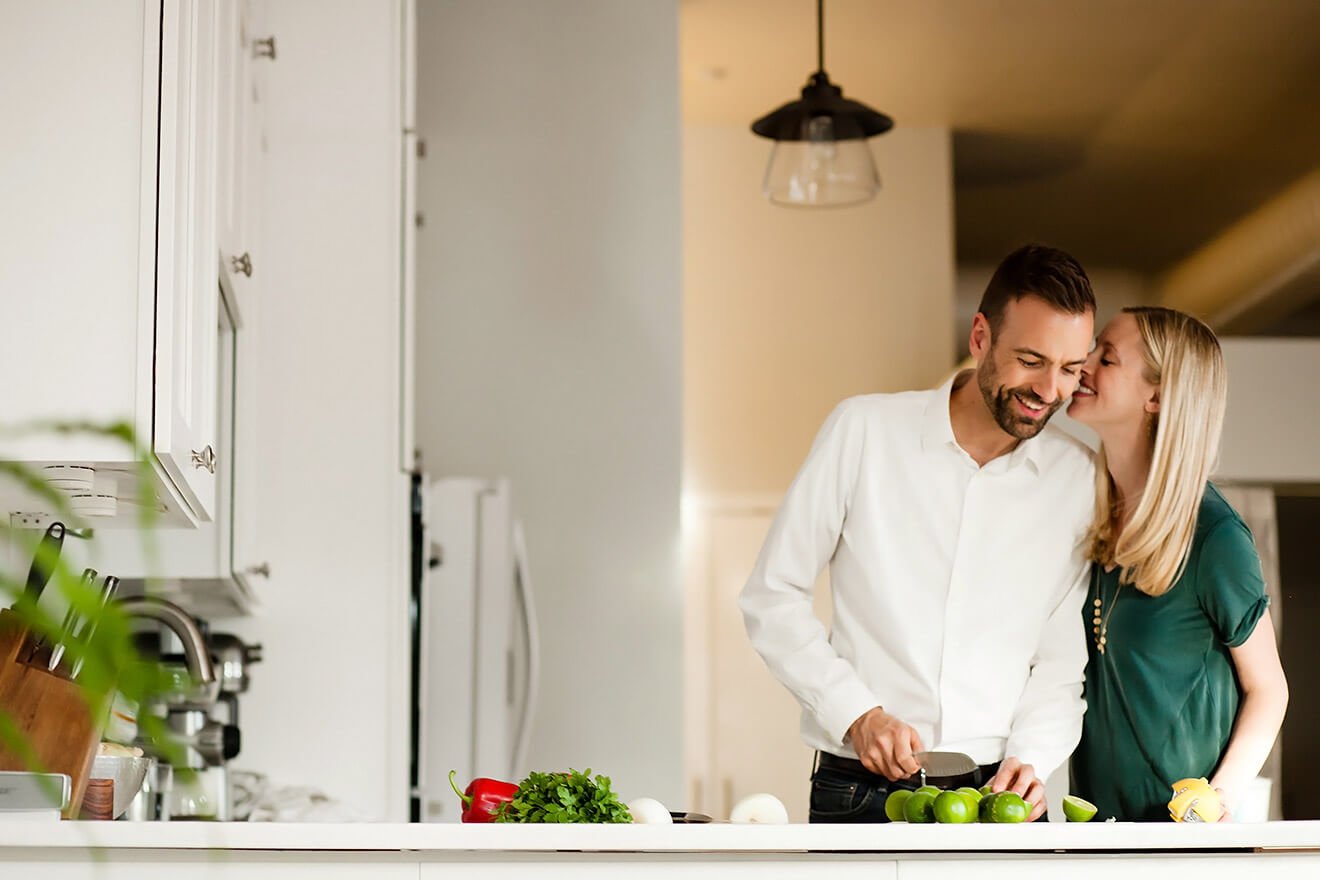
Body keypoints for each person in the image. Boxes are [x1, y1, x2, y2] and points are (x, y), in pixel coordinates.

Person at [740, 244, 1097, 823]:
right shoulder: (864, 432)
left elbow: (1060, 660)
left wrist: (1034, 758)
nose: (1050, 390)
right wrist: (856, 712)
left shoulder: (1076, 478)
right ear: (980, 336)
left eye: (1071, 369)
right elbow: (771, 596)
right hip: (860, 788)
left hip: (999, 796)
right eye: (1031, 360)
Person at [1067, 307, 1288, 822]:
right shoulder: (1090, 517)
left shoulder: (1214, 537)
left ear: (1157, 396)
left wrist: (1215, 803)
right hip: (1096, 837)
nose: (1083, 366)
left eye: (1108, 358)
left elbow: (1269, 688)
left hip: (1184, 844)